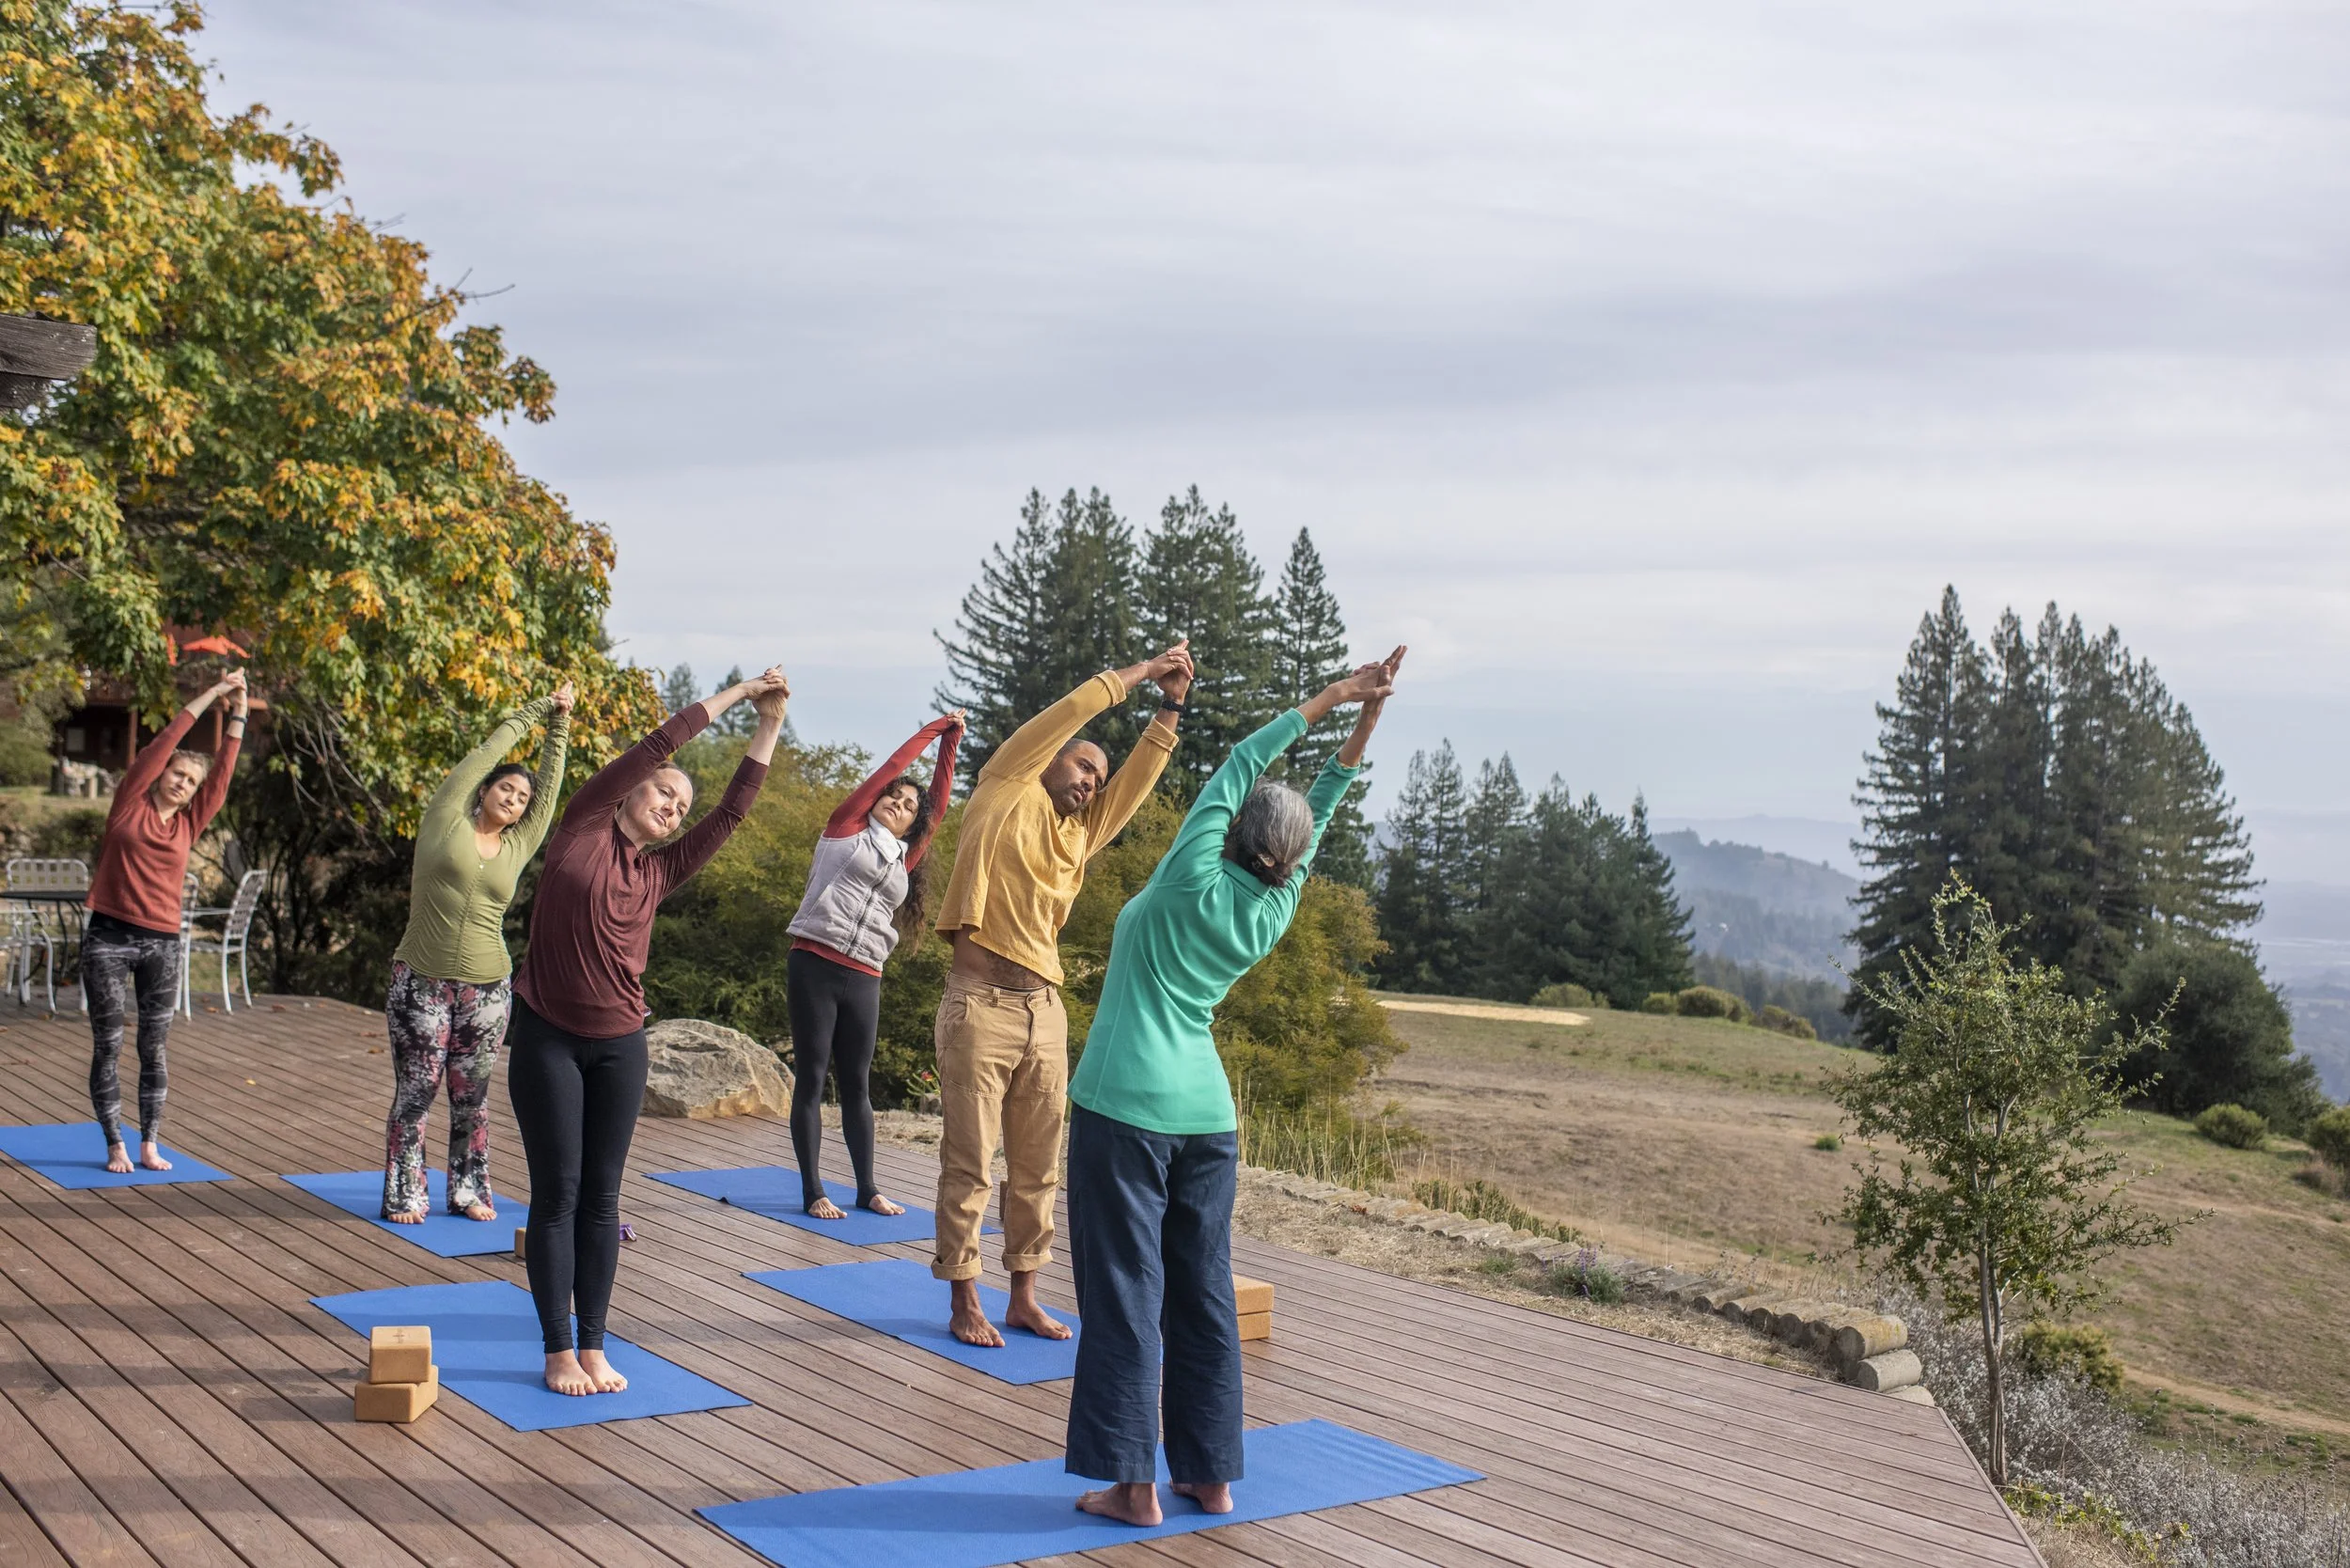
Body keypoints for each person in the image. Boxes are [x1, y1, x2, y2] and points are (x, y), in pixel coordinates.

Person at [1064, 648, 1403, 1527]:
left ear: (1231, 831)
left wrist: (1334, 695)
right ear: (1288, 858)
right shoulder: (1272, 907)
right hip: (1209, 1123)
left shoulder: (1188, 877)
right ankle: (1210, 1477)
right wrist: (1365, 724)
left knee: (1125, 1294)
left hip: (1124, 1107)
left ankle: (1133, 1487)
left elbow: (1243, 760)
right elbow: (1322, 807)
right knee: (1204, 1296)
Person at [509, 666, 791, 1396]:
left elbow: (731, 813)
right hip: (547, 1039)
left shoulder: (659, 873)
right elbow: (660, 742)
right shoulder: (581, 824)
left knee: (602, 1199)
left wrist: (770, 724)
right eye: (666, 791)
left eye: (681, 806)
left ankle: (594, 1345)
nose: (674, 807)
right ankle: (558, 1350)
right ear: (632, 790)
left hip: (620, 1046)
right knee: (557, 1194)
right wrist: (741, 694)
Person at [930, 640, 1196, 1348]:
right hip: (979, 1006)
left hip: (1045, 1014)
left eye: (1097, 777)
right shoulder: (1006, 785)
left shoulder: (1080, 834)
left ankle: (1023, 1295)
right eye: (1082, 765)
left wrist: (1172, 706)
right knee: (970, 1161)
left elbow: (1136, 783)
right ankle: (964, 1297)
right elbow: (1075, 708)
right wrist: (1144, 673)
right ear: (1048, 758)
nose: (1091, 782)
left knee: (1038, 1168)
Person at [379, 683, 574, 1224]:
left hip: (487, 990)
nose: (513, 799)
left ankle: (466, 1190)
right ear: (485, 789)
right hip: (421, 982)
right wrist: (541, 709)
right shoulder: (446, 819)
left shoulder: (518, 843)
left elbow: (550, 790)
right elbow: (488, 750)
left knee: (471, 1097)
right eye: (506, 788)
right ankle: (406, 1191)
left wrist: (562, 726)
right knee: (417, 1092)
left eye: (521, 798)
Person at [784, 710, 964, 1219]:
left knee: (857, 1084)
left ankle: (866, 1188)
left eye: (908, 807)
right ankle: (813, 1190)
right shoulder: (845, 827)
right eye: (894, 797)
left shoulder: (904, 858)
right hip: (815, 962)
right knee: (812, 1077)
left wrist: (952, 745)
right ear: (878, 799)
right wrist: (936, 728)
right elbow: (891, 767)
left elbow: (938, 806)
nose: (899, 805)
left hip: (865, 974)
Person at [84, 668, 248, 1173]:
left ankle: (150, 1142)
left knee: (153, 1049)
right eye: (177, 774)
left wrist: (240, 712)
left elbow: (222, 777)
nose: (183, 783)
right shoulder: (128, 804)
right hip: (108, 938)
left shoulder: (189, 824)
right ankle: (115, 1144)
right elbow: (164, 742)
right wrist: (216, 693)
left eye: (191, 782)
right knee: (108, 1044)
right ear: (160, 774)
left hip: (162, 945)